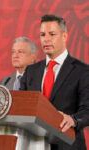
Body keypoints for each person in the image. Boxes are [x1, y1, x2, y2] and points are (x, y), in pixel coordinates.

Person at [20, 14, 89, 150]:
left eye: (52, 34)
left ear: (64, 36)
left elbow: (87, 109)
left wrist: (73, 120)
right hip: (33, 144)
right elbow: (21, 105)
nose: (46, 39)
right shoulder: (30, 72)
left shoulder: (83, 71)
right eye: (42, 34)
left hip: (67, 145)